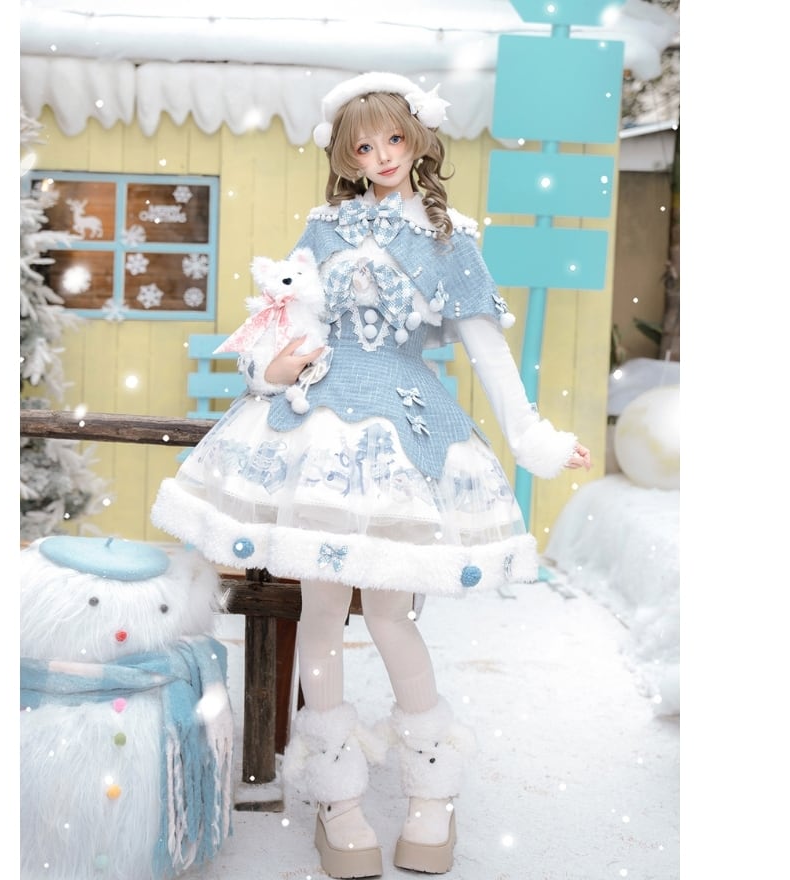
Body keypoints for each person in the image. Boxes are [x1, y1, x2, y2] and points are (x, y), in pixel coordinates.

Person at [151, 70, 591, 878]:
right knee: (322, 606)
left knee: (390, 612)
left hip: (405, 425)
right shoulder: (325, 229)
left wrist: (532, 436)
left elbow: (486, 348)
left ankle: (432, 788)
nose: (381, 156)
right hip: (318, 419)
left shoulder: (450, 237)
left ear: (418, 139)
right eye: (363, 146)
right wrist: (269, 369)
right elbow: (284, 319)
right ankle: (338, 799)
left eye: (393, 139)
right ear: (345, 156)